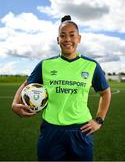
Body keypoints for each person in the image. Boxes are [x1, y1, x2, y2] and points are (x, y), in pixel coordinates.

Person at [12, 15, 111, 161]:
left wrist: (99, 120)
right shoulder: (45, 64)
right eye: (63, 35)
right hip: (51, 131)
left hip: (81, 131)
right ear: (58, 39)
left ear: (79, 38)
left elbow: (105, 93)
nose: (68, 39)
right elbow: (26, 84)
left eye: (72, 35)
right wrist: (15, 103)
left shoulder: (91, 65)